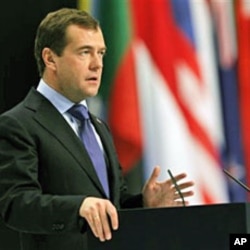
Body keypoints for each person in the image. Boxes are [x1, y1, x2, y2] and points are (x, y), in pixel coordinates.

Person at [0, 8, 194, 250]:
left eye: (101, 53)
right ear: (50, 59)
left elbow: (112, 204)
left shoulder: (99, 126)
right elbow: (16, 205)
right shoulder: (18, 124)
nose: (97, 64)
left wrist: (143, 203)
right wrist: (78, 207)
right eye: (84, 52)